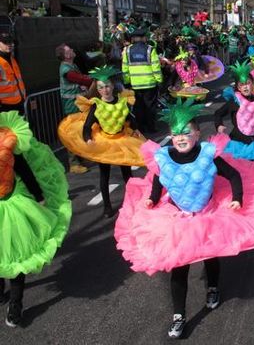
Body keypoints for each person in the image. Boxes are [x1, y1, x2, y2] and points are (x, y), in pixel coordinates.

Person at [113, 98, 254, 338]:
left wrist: (237, 198)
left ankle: (212, 287)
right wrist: (152, 198)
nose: (180, 137)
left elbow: (233, 176)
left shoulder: (208, 155)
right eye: (175, 133)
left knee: (211, 256)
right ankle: (179, 316)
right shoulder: (163, 158)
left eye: (186, 132)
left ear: (197, 133)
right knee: (179, 266)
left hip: (208, 214)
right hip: (178, 219)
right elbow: (159, 179)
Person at [0, 111, 72, 328]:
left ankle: (15, 304)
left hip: (12, 203)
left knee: (18, 255)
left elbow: (23, 169)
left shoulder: (7, 139)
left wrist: (39, 196)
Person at [57, 65, 145, 218]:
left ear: (113, 86)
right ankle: (107, 206)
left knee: (127, 173)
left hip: (122, 140)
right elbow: (87, 126)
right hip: (104, 142)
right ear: (97, 89)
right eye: (101, 87)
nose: (105, 90)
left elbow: (129, 118)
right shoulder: (96, 105)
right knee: (105, 174)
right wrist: (88, 138)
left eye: (108, 86)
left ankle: (133, 201)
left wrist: (136, 129)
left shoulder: (122, 101)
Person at [55, 43, 93, 174]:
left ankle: (81, 158)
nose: (72, 50)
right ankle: (73, 163)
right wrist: (90, 80)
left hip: (77, 103)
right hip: (71, 105)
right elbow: (79, 79)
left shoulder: (72, 65)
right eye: (69, 50)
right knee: (72, 133)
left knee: (80, 130)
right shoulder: (66, 69)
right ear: (66, 55)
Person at [121, 27, 163, 133]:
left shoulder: (127, 50)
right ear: (144, 38)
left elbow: (125, 68)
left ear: (134, 39)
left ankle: (140, 128)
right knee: (150, 107)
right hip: (150, 84)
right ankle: (151, 128)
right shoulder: (150, 49)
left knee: (138, 107)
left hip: (135, 84)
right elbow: (155, 67)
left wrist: (126, 82)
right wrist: (159, 80)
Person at [0, 33, 26, 114]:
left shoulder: (12, 59)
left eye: (10, 42)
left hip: (19, 102)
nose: (9, 44)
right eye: (5, 42)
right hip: (5, 106)